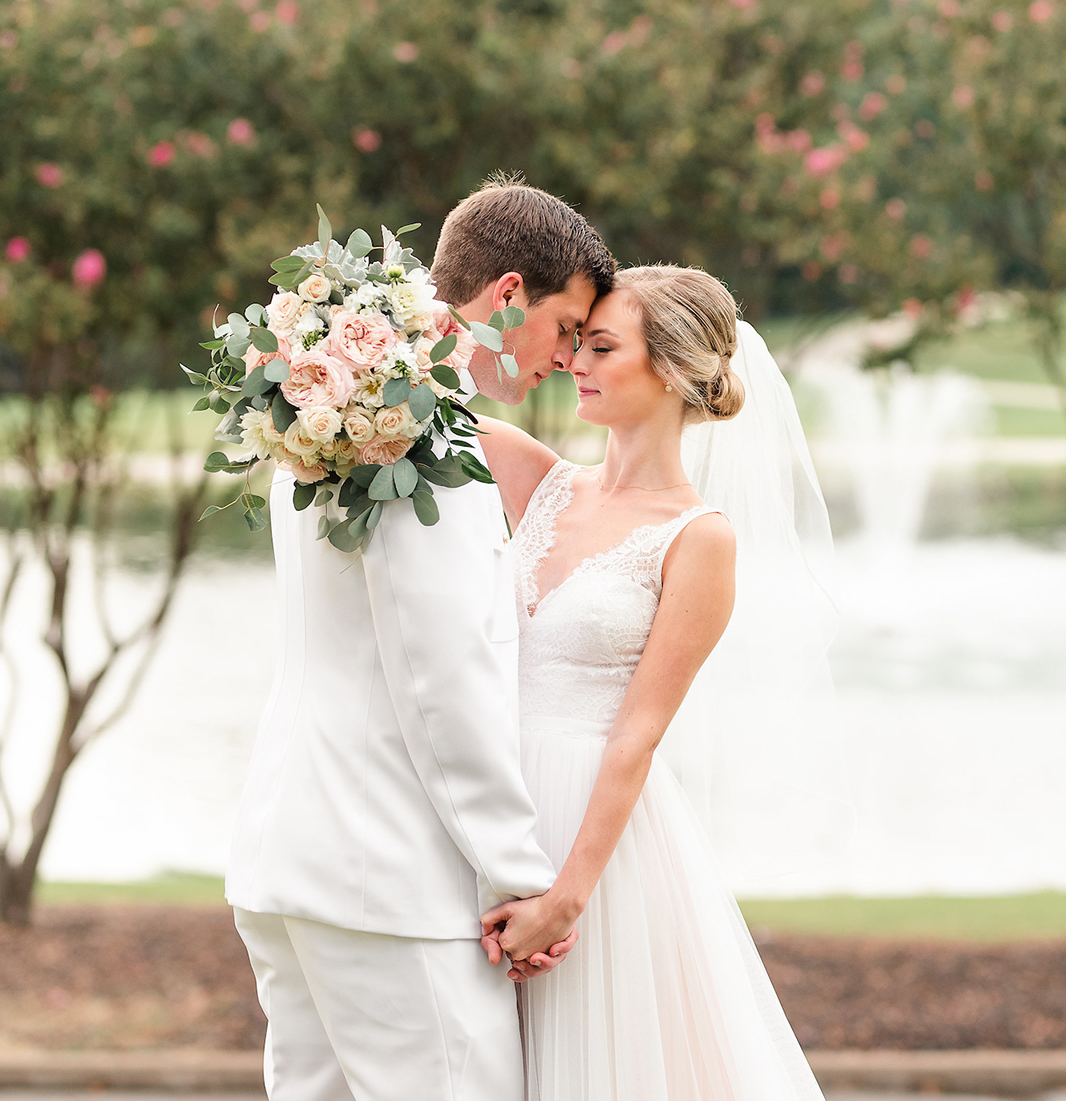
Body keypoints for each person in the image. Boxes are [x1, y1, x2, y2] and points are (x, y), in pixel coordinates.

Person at [224, 178, 616, 1101]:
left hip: (290, 856)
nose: (565, 358)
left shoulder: (323, 406)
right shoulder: (424, 443)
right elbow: (446, 679)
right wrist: (519, 878)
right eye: (565, 328)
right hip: (386, 881)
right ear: (509, 295)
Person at [476, 264, 830, 1098]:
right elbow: (421, 401)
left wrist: (567, 897)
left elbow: (637, 733)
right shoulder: (540, 480)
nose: (573, 363)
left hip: (592, 837)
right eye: (574, 343)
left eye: (600, 346)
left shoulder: (699, 540)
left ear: (671, 369)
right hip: (491, 806)